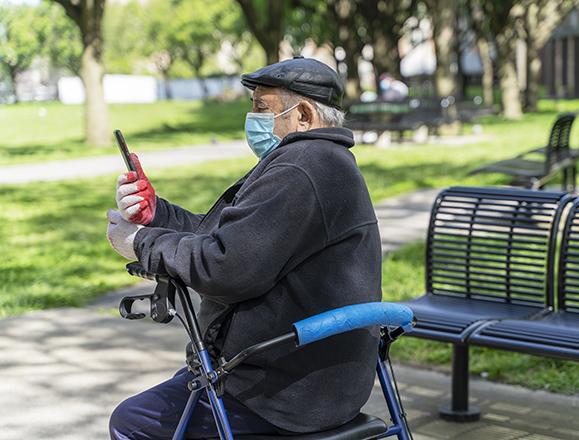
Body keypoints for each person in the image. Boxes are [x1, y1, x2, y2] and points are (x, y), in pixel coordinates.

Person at [106, 56, 382, 439]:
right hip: (321, 384)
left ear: (302, 115)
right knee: (180, 387)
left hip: (283, 396)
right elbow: (231, 237)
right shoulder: (323, 162)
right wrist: (158, 215)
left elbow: (225, 267)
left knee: (132, 422)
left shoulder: (299, 168)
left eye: (261, 108)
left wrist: (139, 242)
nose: (253, 119)